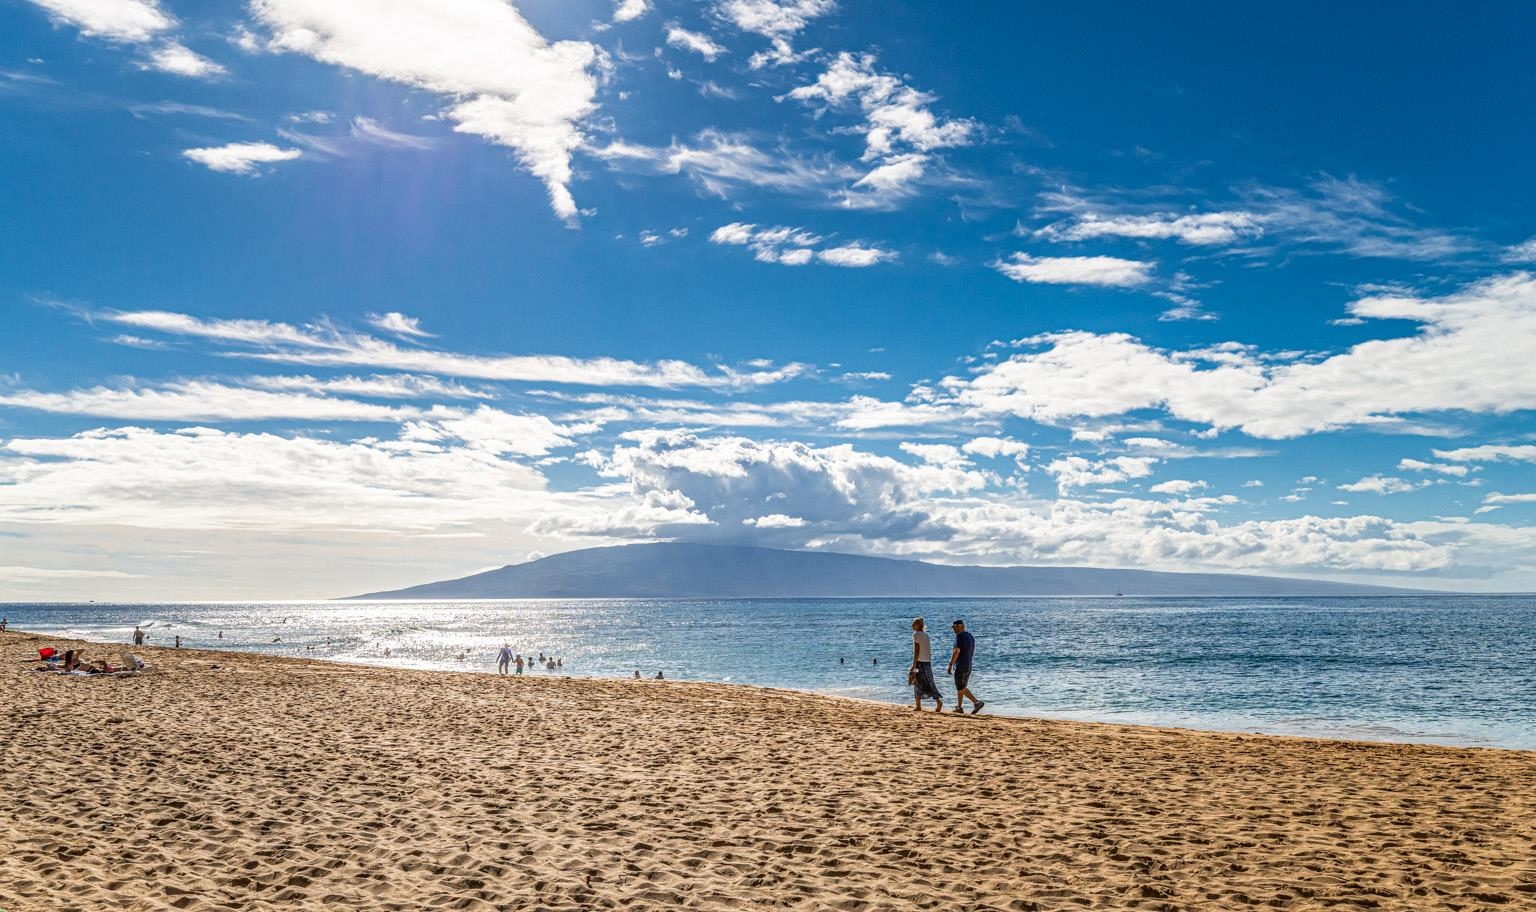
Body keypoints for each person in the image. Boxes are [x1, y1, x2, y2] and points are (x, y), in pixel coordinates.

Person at [946, 619, 985, 715]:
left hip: (960, 665)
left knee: (960, 688)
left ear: (960, 627)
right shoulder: (970, 636)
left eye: (954, 627)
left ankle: (976, 702)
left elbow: (957, 651)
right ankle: (959, 707)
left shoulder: (959, 636)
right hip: (969, 665)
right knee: (962, 688)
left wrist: (951, 665)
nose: (954, 630)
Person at [909, 617, 943, 713]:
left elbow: (916, 651)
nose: (912, 626)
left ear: (918, 625)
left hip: (920, 662)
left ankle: (918, 706)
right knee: (929, 683)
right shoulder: (926, 635)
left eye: (913, 624)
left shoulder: (916, 635)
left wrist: (913, 664)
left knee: (917, 683)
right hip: (927, 662)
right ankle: (938, 702)